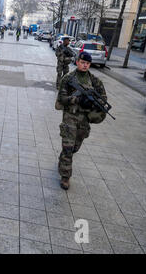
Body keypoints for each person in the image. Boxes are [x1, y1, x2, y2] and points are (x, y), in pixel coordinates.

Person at [55, 52, 107, 190]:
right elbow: (61, 98)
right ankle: (65, 176)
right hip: (70, 117)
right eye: (83, 62)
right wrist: (77, 99)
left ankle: (62, 160)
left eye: (88, 64)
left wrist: (92, 103)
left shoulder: (95, 81)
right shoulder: (68, 78)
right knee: (68, 147)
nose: (85, 65)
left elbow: (103, 98)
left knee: (75, 148)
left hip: (84, 119)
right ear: (77, 62)